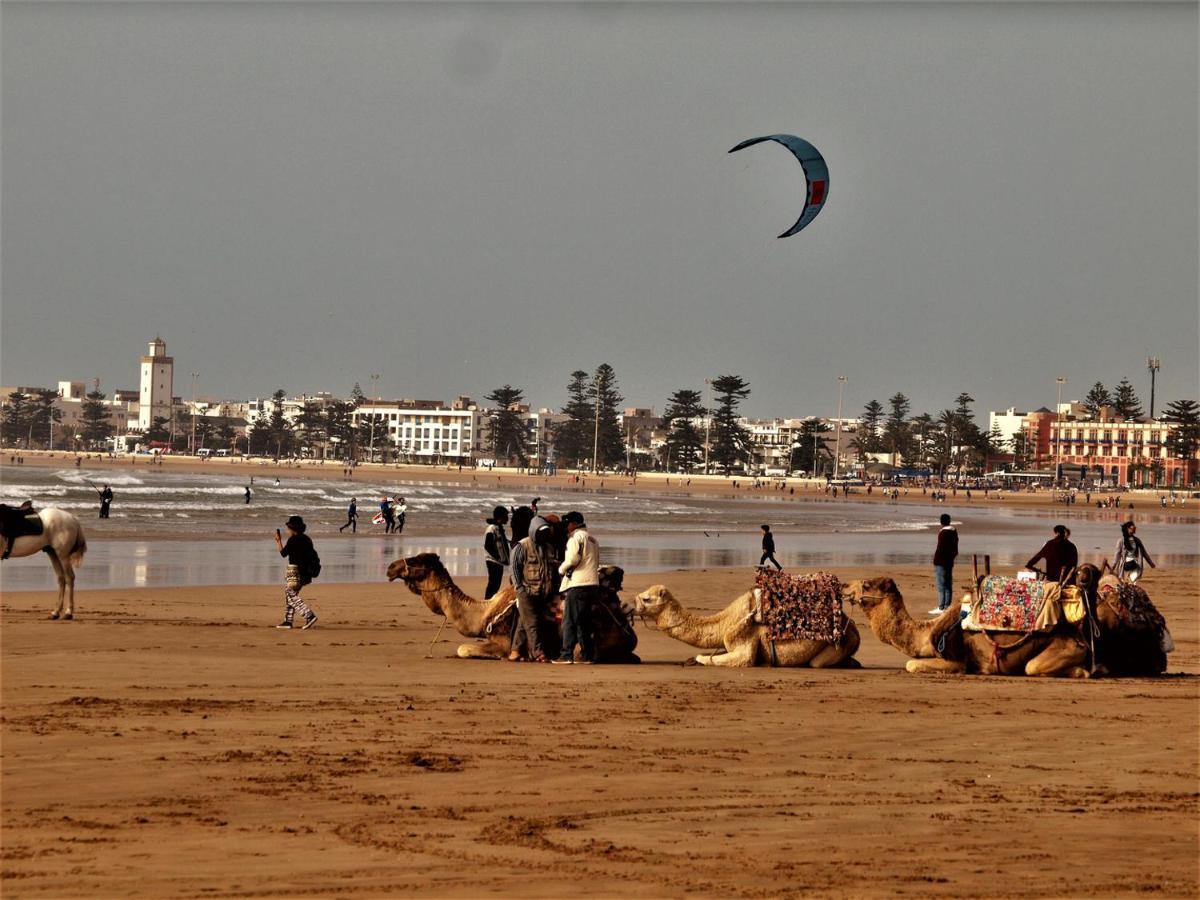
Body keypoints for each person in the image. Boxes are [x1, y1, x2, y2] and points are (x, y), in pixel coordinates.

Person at [507, 516, 557, 663]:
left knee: (524, 622)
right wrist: (520, 588)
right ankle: (538, 653)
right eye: (540, 532)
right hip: (526, 592)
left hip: (542, 593)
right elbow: (514, 568)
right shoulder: (521, 546)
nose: (543, 535)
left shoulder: (548, 547)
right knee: (532, 622)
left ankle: (515, 652)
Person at [555, 511, 600, 665]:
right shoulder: (593, 539)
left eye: (567, 524)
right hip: (592, 584)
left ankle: (566, 654)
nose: (566, 527)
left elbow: (573, 559)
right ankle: (587, 655)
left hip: (578, 584)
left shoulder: (575, 538)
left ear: (573, 524)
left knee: (569, 621)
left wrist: (560, 570)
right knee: (584, 622)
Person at [273, 515, 318, 629]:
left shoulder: (293, 540)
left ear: (292, 529)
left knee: (290, 594)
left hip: (295, 572)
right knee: (292, 594)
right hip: (307, 573)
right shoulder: (307, 539)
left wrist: (278, 541)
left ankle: (309, 615)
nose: (287, 530)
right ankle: (288, 621)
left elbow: (283, 554)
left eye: (288, 528)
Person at [929, 513, 959, 615]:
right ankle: (947, 606)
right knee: (948, 584)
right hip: (949, 562)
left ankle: (941, 607)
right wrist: (951, 558)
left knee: (941, 585)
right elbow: (955, 549)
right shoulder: (954, 532)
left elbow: (940, 548)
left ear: (941, 522)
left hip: (941, 562)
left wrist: (936, 560)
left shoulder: (943, 533)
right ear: (949, 521)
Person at [482, 506, 511, 599]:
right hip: (493, 561)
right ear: (501, 517)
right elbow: (487, 545)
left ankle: (489, 601)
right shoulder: (492, 528)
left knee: (496, 584)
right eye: (506, 516)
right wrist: (497, 557)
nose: (508, 518)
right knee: (493, 584)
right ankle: (487, 601)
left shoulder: (498, 528)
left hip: (498, 562)